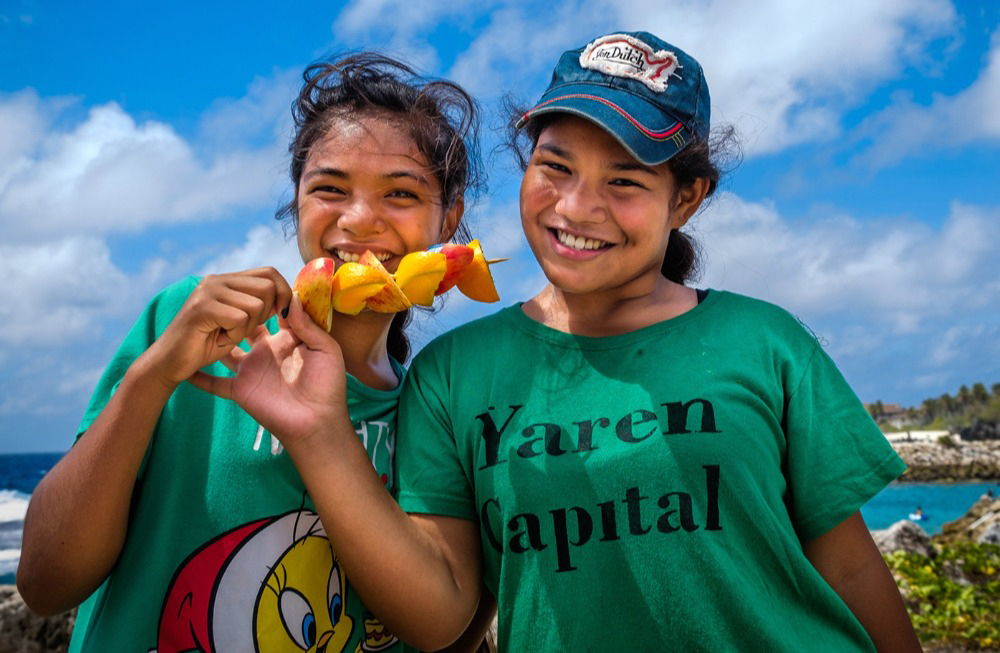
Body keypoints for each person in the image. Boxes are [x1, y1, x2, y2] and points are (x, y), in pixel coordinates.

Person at [189, 32, 923, 652]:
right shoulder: (453, 373)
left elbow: (851, 568)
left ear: (688, 197)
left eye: (626, 179)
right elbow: (440, 614)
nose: (578, 206)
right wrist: (319, 433)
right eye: (556, 167)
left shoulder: (765, 341)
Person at [17, 53, 493, 653]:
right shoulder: (194, 331)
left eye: (401, 193)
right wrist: (156, 373)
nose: (359, 218)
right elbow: (45, 581)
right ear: (297, 202)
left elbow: (441, 628)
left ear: (448, 220)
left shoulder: (435, 406)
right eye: (329, 188)